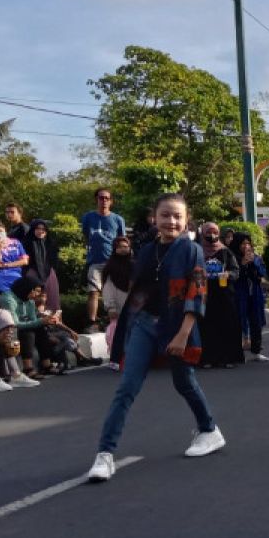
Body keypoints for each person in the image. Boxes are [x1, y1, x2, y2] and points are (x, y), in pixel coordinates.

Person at [86, 192, 224, 482]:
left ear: (186, 220)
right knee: (126, 387)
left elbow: (197, 292)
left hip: (177, 326)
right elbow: (138, 291)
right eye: (165, 215)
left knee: (184, 382)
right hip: (145, 325)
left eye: (177, 216)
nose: (171, 221)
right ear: (154, 218)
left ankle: (209, 430)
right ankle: (105, 454)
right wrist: (128, 325)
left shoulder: (191, 251)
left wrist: (183, 334)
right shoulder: (147, 251)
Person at [197, 222, 243, 369]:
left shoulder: (225, 252)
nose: (212, 236)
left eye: (215, 233)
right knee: (206, 327)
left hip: (224, 295)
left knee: (226, 325)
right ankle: (207, 358)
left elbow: (236, 271)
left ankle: (227, 358)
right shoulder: (198, 251)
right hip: (204, 295)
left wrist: (227, 274)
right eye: (208, 233)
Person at [82, 187, 126, 333]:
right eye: (101, 198)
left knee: (114, 293)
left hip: (113, 261)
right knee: (93, 292)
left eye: (107, 198)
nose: (104, 200)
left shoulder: (118, 219)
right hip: (95, 261)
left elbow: (122, 240)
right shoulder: (88, 217)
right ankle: (92, 322)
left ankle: (114, 322)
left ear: (111, 201)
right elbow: (86, 236)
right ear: (96, 200)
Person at [0, 276, 56, 378]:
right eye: (36, 291)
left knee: (41, 329)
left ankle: (47, 365)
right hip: (6, 330)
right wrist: (40, 321)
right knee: (27, 333)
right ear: (27, 288)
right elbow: (15, 323)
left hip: (21, 327)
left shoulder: (29, 301)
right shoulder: (8, 299)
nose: (37, 295)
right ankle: (28, 368)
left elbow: (33, 320)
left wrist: (45, 321)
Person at [232, 234, 268, 363]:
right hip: (240, 293)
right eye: (243, 243)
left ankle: (256, 350)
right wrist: (242, 264)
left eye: (248, 243)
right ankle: (237, 352)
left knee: (256, 321)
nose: (246, 246)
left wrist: (254, 263)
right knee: (239, 321)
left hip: (255, 294)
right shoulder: (232, 257)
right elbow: (234, 276)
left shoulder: (256, 257)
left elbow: (262, 273)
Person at [101, 236, 134, 355]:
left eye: (126, 247)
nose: (124, 249)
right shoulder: (110, 267)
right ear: (115, 248)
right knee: (118, 332)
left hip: (133, 305)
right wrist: (111, 306)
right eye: (120, 247)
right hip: (118, 303)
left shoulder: (134, 265)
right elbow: (107, 287)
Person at [23, 219, 61, 312]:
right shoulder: (27, 242)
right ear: (33, 230)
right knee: (35, 299)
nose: (41, 231)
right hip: (32, 272)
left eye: (43, 229)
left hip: (49, 274)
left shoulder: (50, 242)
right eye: (38, 229)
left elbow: (54, 260)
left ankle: (52, 322)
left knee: (52, 298)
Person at [0, 218, 28, 296]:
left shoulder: (16, 242)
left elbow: (24, 261)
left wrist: (6, 265)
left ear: (5, 230)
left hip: (17, 277)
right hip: (0, 278)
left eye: (1, 231)